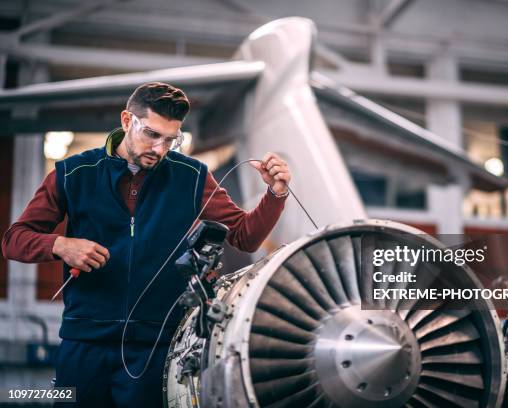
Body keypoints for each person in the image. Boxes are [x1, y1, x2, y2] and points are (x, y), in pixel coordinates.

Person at [1, 82, 292, 407]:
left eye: (171, 139)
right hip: (84, 344)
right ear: (127, 120)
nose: (160, 148)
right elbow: (14, 240)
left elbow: (244, 235)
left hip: (156, 348)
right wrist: (61, 245)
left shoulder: (192, 177)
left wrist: (275, 194)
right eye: (151, 134)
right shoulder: (74, 173)